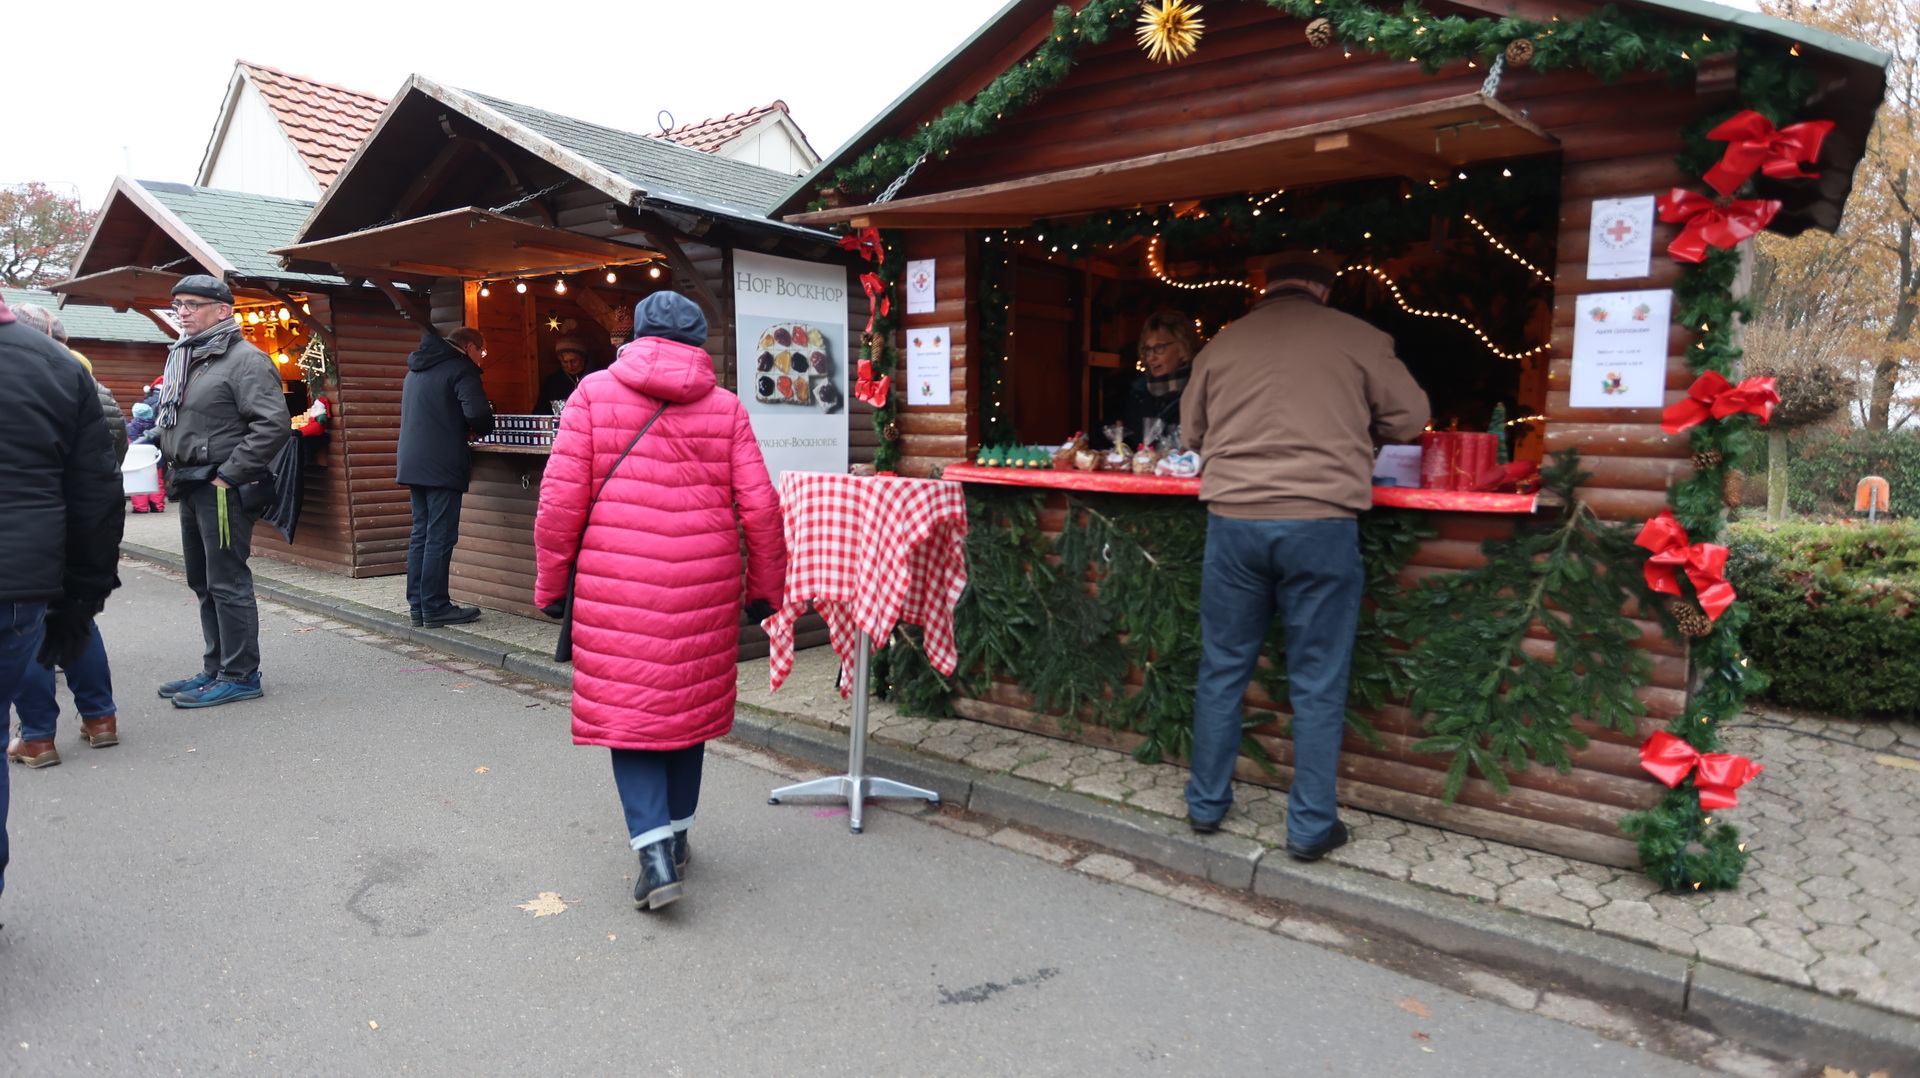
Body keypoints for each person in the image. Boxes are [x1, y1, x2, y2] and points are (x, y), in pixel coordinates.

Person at [533, 291, 785, 912]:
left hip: (617, 583)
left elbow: (560, 502)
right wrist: (765, 589)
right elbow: (761, 506)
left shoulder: (591, 395)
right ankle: (676, 838)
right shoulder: (725, 406)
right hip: (705, 581)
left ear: (634, 338)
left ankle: (654, 855)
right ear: (697, 344)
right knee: (686, 710)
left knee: (632, 716)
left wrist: (551, 583)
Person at [1180, 250, 1429, 861]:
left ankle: (1205, 805)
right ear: (1324, 290)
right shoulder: (1360, 337)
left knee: (1222, 667)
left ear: (1266, 288)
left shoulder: (1222, 343)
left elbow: (1191, 435)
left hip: (1234, 522)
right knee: (1317, 679)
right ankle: (1310, 826)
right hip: (1321, 522)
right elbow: (1411, 419)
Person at [0, 293, 125, 896]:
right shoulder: (64, 370)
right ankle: (99, 717)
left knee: (35, 643)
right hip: (35, 555)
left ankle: (40, 734)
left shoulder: (59, 370)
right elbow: (100, 477)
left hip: (32, 551)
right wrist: (85, 585)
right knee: (59, 625)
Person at [153, 275, 291, 709]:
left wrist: (228, 475)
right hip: (191, 482)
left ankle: (240, 675)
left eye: (193, 304)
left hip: (221, 487)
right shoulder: (188, 356)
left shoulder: (246, 359)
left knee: (227, 581)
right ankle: (216, 668)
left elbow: (273, 425)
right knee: (203, 580)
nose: (183, 312)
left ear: (223, 310)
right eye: (178, 304)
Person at [397, 326, 494, 628]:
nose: (481, 359)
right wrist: (482, 427)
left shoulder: (415, 370)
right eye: (481, 352)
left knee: (421, 533)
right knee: (440, 535)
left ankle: (419, 606)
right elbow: (478, 414)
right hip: (442, 463)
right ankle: (436, 606)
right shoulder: (461, 369)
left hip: (413, 460)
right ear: (469, 347)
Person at [1108, 311, 1198, 449]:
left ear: (1183, 346)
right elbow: (1126, 444)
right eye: (1148, 349)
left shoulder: (1199, 390)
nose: (1151, 357)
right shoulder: (1136, 393)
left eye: (1159, 348)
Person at [534, 338, 591, 415]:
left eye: (574, 361)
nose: (570, 366)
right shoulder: (552, 383)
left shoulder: (596, 379)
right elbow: (540, 411)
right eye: (565, 362)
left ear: (583, 358)